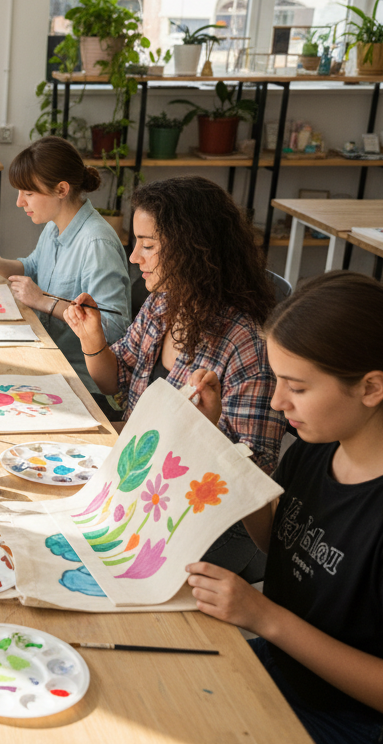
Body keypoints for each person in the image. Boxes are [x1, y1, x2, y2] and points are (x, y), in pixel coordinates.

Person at [187, 272, 383, 743]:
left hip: (360, 720)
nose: (277, 402)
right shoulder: (322, 445)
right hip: (288, 670)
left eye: (296, 387)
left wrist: (263, 616)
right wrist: (216, 445)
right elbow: (281, 540)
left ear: (372, 388)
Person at [64, 176, 286, 575]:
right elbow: (115, 382)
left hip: (207, 521)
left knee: (89, 560)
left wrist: (206, 432)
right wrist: (92, 339)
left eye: (148, 246)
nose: (134, 258)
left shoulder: (246, 344)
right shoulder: (163, 304)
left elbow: (255, 480)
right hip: (140, 488)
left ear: (193, 250)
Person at [0, 136, 130, 403]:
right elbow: (33, 268)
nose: (20, 202)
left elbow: (114, 329)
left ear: (62, 189)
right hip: (48, 362)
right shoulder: (55, 225)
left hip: (83, 384)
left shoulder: (96, 243)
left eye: (29, 194)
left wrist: (43, 301)